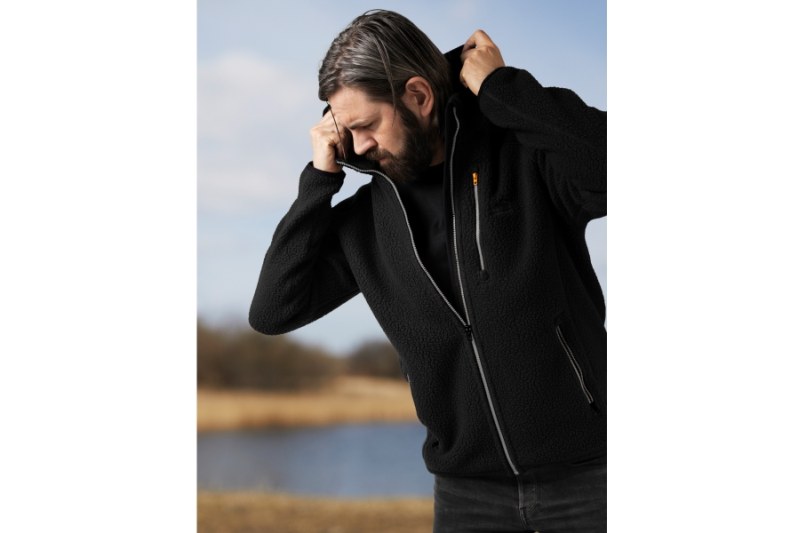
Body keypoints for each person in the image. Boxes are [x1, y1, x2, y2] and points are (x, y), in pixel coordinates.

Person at [249, 9, 606, 532]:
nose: (359, 146)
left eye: (366, 125)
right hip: (466, 493)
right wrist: (319, 179)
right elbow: (273, 310)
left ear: (418, 96)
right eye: (347, 130)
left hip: (591, 475)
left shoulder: (525, 160)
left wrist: (502, 89)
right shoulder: (365, 224)